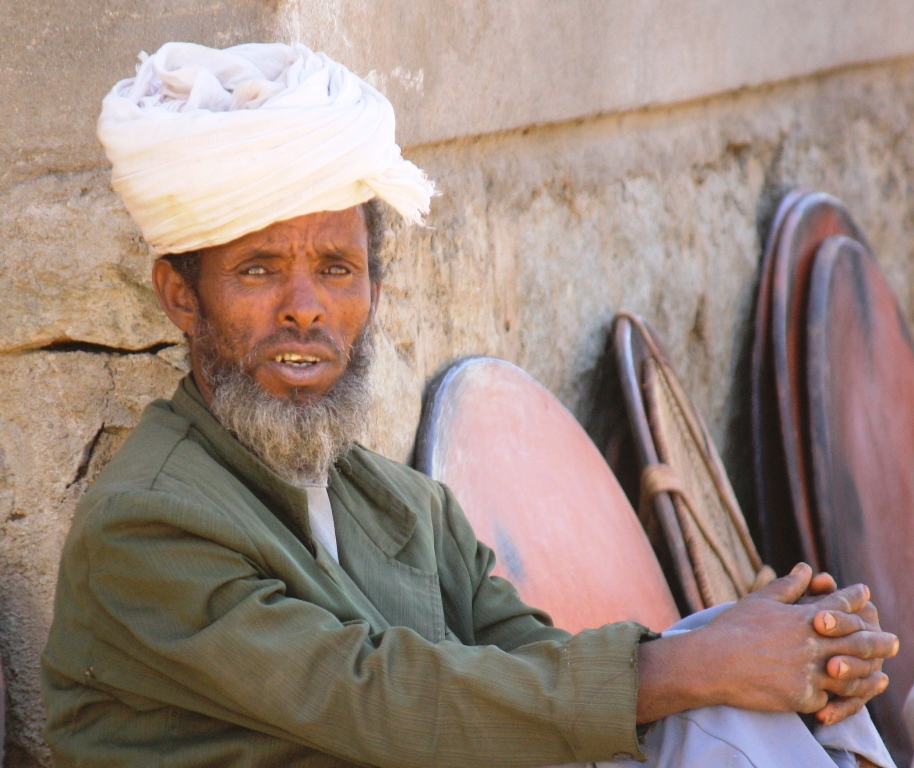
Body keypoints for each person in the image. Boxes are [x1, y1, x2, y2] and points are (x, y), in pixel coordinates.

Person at [41, 41, 899, 768]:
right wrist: (706, 665)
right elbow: (379, 696)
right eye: (259, 270)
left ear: (373, 288)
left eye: (336, 270)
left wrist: (794, 657)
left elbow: (537, 664)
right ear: (182, 297)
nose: (305, 307)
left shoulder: (405, 506)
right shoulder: (146, 528)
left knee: (738, 697)